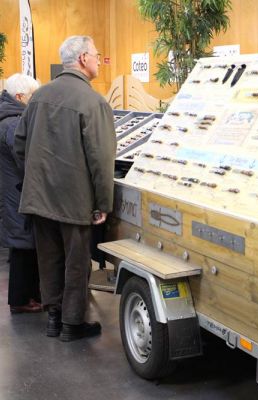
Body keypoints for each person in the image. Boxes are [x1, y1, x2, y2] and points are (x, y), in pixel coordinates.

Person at [14, 36, 116, 342]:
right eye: (97, 54)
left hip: (39, 198)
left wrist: (36, 179)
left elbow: (20, 144)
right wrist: (103, 203)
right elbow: (101, 159)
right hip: (75, 200)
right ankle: (72, 324)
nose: (99, 60)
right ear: (83, 58)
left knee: (48, 259)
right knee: (76, 262)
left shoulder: (38, 97)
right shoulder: (93, 102)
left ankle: (53, 318)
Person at [0, 73, 42, 314]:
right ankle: (21, 299)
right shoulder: (14, 123)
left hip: (10, 191)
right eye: (32, 95)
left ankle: (25, 296)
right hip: (18, 193)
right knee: (24, 246)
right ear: (19, 97)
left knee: (22, 246)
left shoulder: (6, 117)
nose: (34, 100)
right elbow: (26, 160)